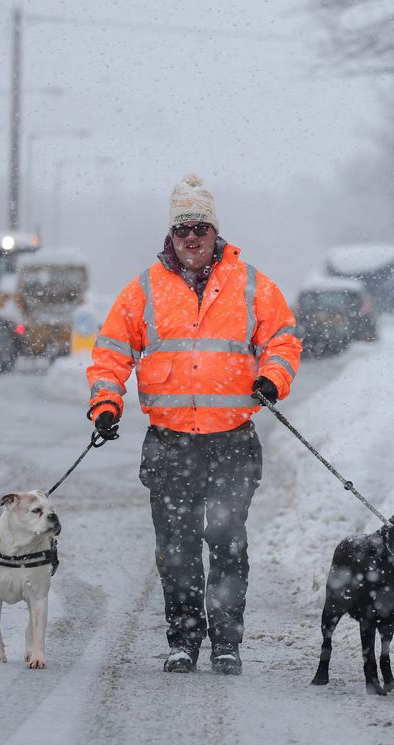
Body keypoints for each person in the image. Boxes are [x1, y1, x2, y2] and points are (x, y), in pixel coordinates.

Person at [86, 174, 302, 675]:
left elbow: (284, 341)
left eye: (200, 227)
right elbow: (111, 353)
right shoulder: (143, 291)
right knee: (177, 549)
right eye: (182, 227)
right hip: (170, 443)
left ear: (215, 231)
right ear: (170, 234)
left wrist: (272, 378)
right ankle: (183, 640)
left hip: (232, 441)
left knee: (228, 542)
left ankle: (227, 643)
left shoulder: (252, 286)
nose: (191, 237)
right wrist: (105, 402)